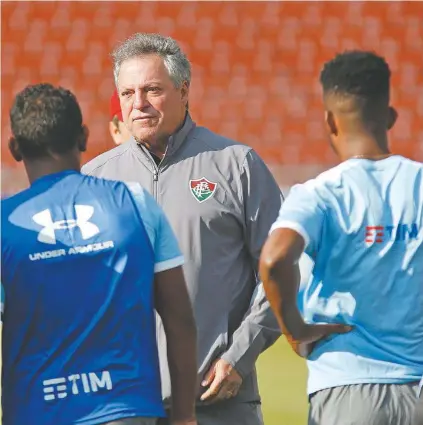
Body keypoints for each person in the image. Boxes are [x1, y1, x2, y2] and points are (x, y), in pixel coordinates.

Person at [82, 33, 283, 425]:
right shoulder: (93, 180)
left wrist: (239, 355)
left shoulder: (236, 166)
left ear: (184, 90)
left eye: (152, 90)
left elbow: (282, 271)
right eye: (127, 93)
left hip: (220, 402)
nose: (137, 103)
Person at [1, 83, 198, 425]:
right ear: (83, 137)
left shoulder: (6, 225)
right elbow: (179, 318)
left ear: (15, 148)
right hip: (127, 408)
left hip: (36, 411)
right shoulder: (136, 205)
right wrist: (183, 417)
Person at [259, 50, 423, 425]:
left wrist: (295, 330)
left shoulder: (320, 193)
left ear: (330, 122)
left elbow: (274, 258)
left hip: (347, 390)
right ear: (391, 116)